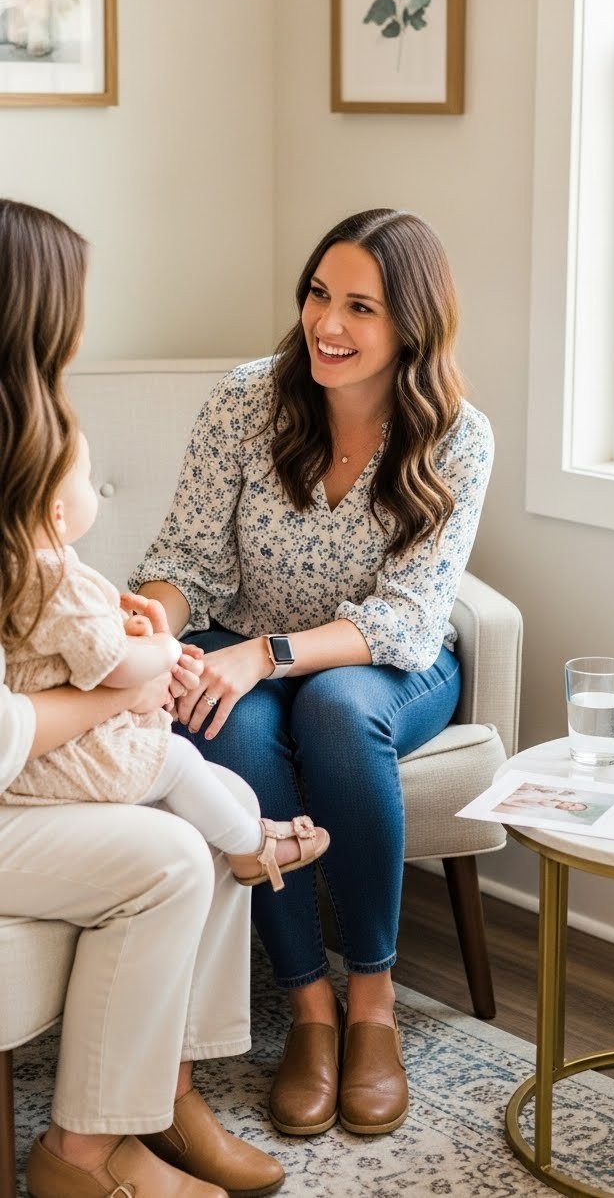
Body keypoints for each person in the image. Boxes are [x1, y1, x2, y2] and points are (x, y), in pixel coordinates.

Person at [132, 207, 495, 1139]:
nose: (327, 324)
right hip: (243, 639)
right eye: (319, 295)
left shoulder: (458, 434)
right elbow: (187, 557)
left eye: (361, 307)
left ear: (412, 324)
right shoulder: (247, 401)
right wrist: (156, 632)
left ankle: (372, 1002)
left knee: (333, 710)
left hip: (384, 666)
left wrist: (265, 655)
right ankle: (309, 1009)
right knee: (229, 723)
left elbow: (410, 615)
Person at [0, 197, 286, 1198]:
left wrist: (125, 647)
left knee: (194, 810)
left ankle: (164, 1101)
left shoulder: (26, 449)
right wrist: (131, 689)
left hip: (26, 769)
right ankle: (83, 1154)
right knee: (174, 848)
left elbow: (52, 617)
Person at [2, 427, 330, 893]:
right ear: (58, 514)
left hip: (34, 753)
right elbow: (116, 668)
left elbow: (68, 645)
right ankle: (253, 848)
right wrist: (164, 649)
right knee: (175, 758)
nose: (92, 485)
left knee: (202, 773)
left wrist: (122, 630)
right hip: (59, 755)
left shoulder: (16, 571)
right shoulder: (57, 578)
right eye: (87, 477)